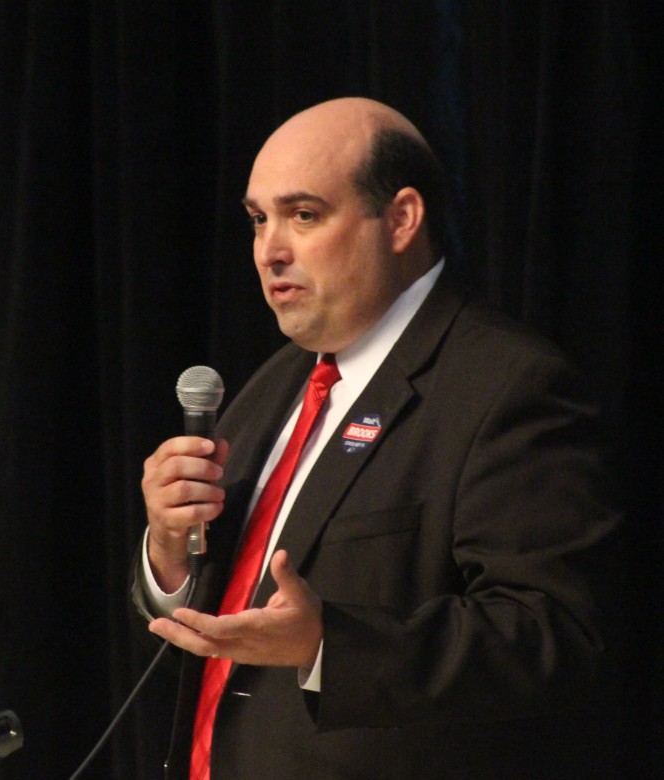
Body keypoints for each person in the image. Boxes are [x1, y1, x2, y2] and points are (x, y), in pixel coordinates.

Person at [133, 98, 619, 779]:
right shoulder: (271, 388)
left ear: (400, 219)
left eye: (303, 215)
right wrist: (168, 552)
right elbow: (222, 609)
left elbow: (553, 639)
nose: (270, 250)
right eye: (258, 219)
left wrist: (330, 644)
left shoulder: (506, 386)